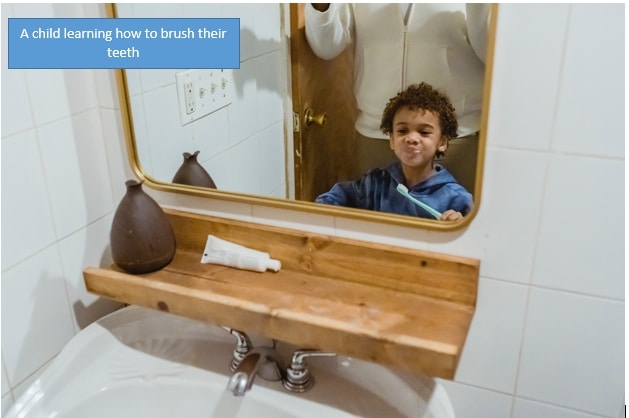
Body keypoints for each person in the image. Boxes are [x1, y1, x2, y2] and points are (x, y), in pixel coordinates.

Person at [305, 3, 491, 193]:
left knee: (452, 216)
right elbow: (326, 47)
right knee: (373, 219)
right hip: (376, 136)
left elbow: (492, 52)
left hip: (454, 138)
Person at [316, 83, 472, 221]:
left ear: (442, 142)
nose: (411, 138)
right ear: (391, 139)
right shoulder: (375, 183)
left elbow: (475, 237)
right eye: (402, 131)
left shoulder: (456, 198)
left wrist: (459, 226)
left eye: (424, 132)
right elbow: (330, 201)